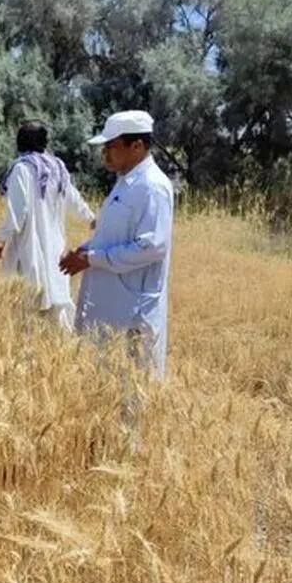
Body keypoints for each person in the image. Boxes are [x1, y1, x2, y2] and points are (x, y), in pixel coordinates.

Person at [59, 110, 175, 390]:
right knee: (105, 388)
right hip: (111, 309)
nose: (105, 153)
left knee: (131, 390)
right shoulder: (125, 183)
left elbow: (152, 247)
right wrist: (84, 251)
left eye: (111, 146)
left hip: (131, 313)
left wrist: (92, 259)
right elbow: (113, 236)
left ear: (137, 146)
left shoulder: (152, 187)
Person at [0, 120, 96, 330]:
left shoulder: (22, 169)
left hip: (29, 247)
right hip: (55, 248)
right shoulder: (58, 168)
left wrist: (0, 242)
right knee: (56, 310)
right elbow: (74, 199)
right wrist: (91, 218)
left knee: (26, 310)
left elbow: (18, 212)